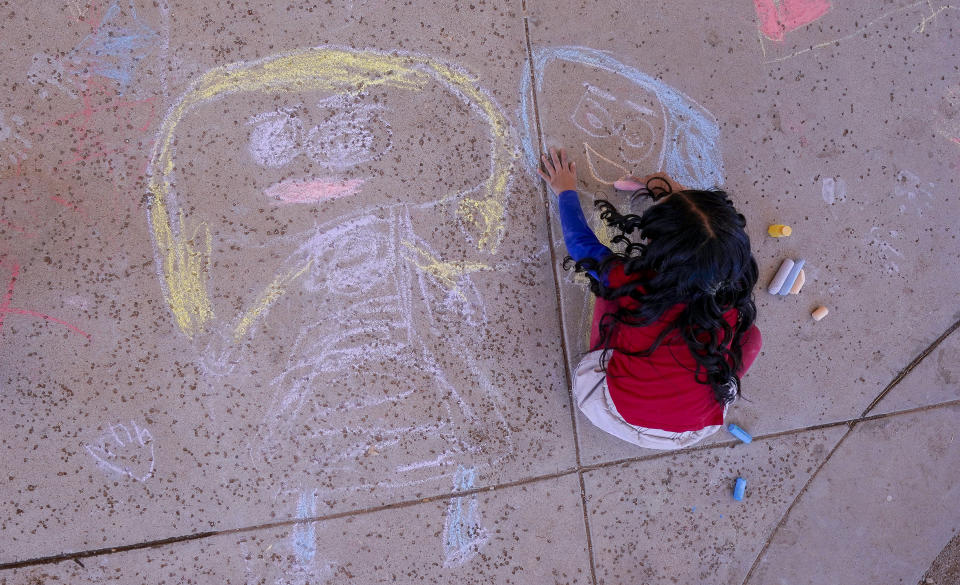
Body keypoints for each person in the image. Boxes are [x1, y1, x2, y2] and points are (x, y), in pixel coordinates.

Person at [537, 147, 762, 450]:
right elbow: (706, 230)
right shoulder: (728, 293)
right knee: (753, 337)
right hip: (691, 431)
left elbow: (581, 245)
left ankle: (601, 358)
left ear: (660, 249)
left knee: (609, 293)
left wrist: (565, 190)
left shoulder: (636, 286)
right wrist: (665, 191)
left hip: (612, 412)